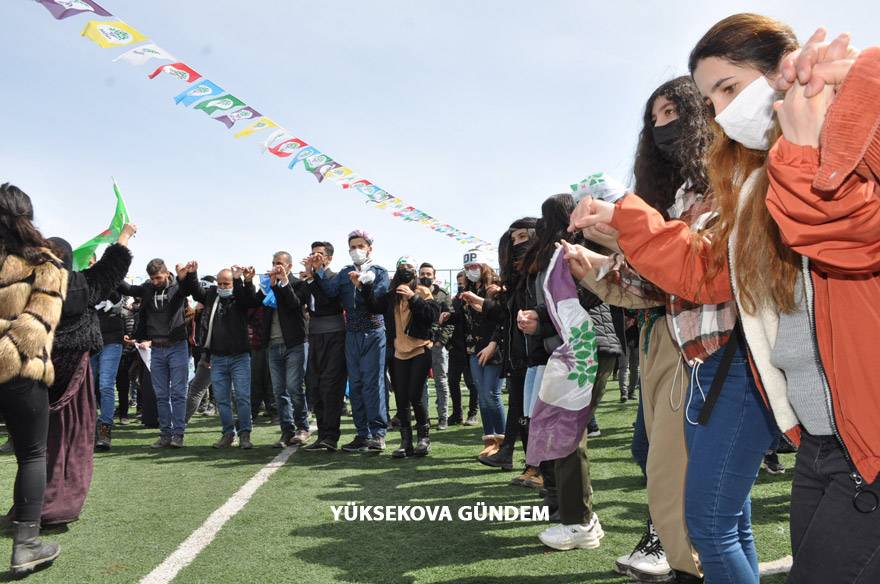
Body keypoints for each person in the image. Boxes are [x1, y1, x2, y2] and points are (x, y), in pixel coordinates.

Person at [765, 28, 880, 584]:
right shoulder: (772, 174)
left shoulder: (812, 158)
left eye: (727, 88)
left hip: (867, 443)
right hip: (818, 434)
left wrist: (820, 149)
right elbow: (708, 273)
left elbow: (855, 233)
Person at [41, 224, 133, 527]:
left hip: (42, 374)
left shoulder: (31, 287)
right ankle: (60, 505)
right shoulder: (82, 284)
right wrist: (124, 237)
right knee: (75, 438)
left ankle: (34, 505)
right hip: (76, 374)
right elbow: (112, 268)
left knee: (40, 443)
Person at [0, 183, 67, 575]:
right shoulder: (47, 262)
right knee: (32, 454)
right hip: (22, 370)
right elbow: (35, 329)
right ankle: (26, 545)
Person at [312, 230, 390, 453]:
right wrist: (318, 270)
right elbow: (328, 292)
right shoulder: (345, 272)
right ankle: (362, 434)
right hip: (351, 334)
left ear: (369, 248)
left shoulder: (380, 273)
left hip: (374, 333)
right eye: (352, 246)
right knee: (355, 384)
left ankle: (378, 434)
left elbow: (378, 302)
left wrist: (362, 287)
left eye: (361, 246)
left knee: (372, 384)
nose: (356, 250)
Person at [476, 219, 537, 476]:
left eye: (523, 237)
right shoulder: (518, 280)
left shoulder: (537, 275)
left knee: (529, 413)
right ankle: (516, 455)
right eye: (514, 240)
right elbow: (506, 316)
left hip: (537, 353)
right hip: (520, 355)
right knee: (520, 409)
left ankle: (535, 466)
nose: (517, 245)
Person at [363, 257, 440, 458]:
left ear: (414, 272)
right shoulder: (392, 295)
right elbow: (373, 307)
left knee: (415, 395)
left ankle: (424, 438)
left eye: (409, 268)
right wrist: (364, 286)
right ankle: (406, 442)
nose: (406, 271)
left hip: (420, 349)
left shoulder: (422, 291)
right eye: (402, 268)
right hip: (398, 352)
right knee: (402, 398)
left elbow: (432, 315)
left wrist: (413, 297)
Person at [183, 264, 260, 449]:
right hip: (217, 357)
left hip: (240, 356)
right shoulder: (211, 295)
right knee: (222, 399)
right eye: (220, 283)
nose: (223, 287)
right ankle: (227, 434)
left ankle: (245, 435)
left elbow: (250, 300)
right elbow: (195, 291)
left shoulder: (239, 297)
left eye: (227, 283)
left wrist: (243, 280)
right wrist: (192, 274)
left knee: (242, 397)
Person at [120, 258, 192, 448]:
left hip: (177, 346)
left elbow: (191, 289)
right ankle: (165, 435)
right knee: (161, 394)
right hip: (156, 349)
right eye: (152, 279)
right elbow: (126, 288)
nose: (155, 282)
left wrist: (187, 277)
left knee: (178, 393)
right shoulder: (147, 289)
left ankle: (178, 434)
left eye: (158, 278)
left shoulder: (178, 287)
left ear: (167, 274)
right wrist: (112, 267)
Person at [257, 251, 311, 448]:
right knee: (279, 390)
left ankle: (303, 428)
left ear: (289, 265)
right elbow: (254, 304)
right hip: (273, 345)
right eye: (273, 263)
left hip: (295, 344)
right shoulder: (268, 285)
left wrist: (283, 283)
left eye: (279, 263)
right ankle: (286, 431)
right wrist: (267, 284)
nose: (276, 267)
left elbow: (294, 304)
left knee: (295, 388)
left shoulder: (298, 284)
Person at [300, 242, 348, 452]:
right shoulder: (308, 278)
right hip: (314, 336)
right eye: (312, 253)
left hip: (334, 334)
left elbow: (328, 299)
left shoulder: (334, 277)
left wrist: (314, 276)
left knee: (331, 385)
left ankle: (331, 436)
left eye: (320, 254)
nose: (315, 257)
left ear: (329, 258)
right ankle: (322, 435)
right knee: (316, 385)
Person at [458, 248, 505, 459]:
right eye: (467, 267)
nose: (470, 271)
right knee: (481, 395)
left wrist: (493, 344)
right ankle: (489, 439)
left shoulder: (496, 288)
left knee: (491, 394)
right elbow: (465, 319)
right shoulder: (467, 288)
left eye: (474, 266)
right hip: (473, 348)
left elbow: (502, 318)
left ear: (484, 266)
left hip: (493, 347)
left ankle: (503, 441)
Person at [416, 262, 452, 430]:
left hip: (438, 345)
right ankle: (424, 419)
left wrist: (440, 341)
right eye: (422, 273)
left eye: (428, 274)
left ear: (434, 276)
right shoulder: (413, 293)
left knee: (441, 382)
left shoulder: (443, 295)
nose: (425, 277)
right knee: (420, 383)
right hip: (419, 345)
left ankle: (443, 418)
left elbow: (450, 320)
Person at [92, 289, 129, 449]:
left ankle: (105, 428)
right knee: (86, 387)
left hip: (112, 341)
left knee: (106, 385)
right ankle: (90, 427)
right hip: (90, 342)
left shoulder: (111, 283)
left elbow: (119, 295)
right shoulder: (83, 281)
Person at [447, 271, 479, 426]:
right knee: (453, 381)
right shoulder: (454, 301)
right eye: (458, 284)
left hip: (471, 348)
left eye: (463, 283)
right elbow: (454, 319)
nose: (461, 286)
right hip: (455, 347)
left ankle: (472, 413)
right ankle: (457, 413)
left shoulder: (474, 300)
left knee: (471, 383)